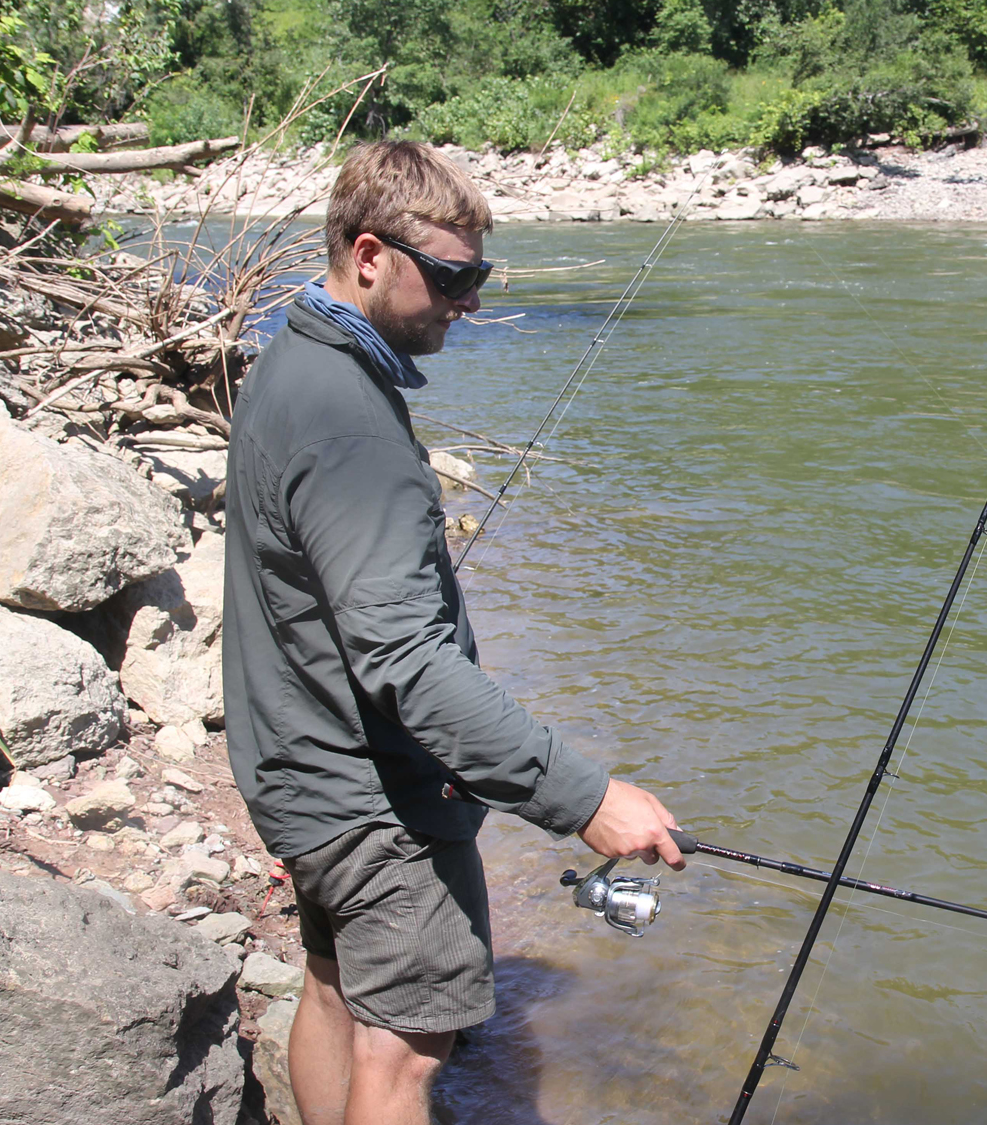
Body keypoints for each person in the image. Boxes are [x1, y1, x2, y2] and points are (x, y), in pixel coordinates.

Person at [222, 140, 685, 1125]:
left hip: (300, 774)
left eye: (480, 276)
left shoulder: (290, 357)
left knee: (333, 991)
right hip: (375, 803)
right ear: (367, 255)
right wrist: (584, 798)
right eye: (451, 276)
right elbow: (409, 666)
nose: (468, 301)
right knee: (404, 1063)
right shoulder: (347, 422)